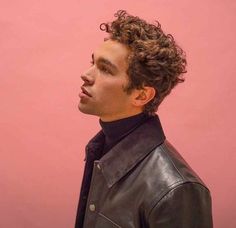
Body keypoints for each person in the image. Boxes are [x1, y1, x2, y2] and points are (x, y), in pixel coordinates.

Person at [75, 10, 213, 228]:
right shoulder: (100, 148)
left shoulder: (177, 189)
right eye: (93, 62)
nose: (86, 74)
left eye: (105, 69)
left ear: (141, 95)